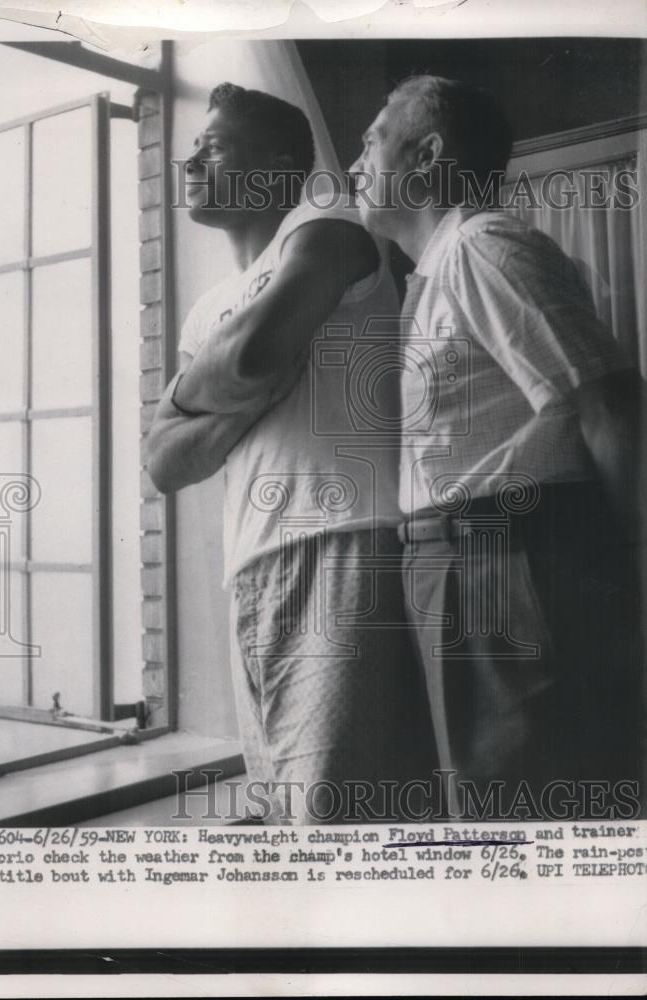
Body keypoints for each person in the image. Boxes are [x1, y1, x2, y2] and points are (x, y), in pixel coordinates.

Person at [349, 74, 644, 819]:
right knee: (489, 802)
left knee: (526, 804)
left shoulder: (485, 246)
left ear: (428, 155)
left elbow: (607, 404)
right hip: (457, 564)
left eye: (373, 138)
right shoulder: (437, 269)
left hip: (508, 559)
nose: (356, 160)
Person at [147, 82, 437, 824]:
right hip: (253, 571)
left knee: (334, 822)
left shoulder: (330, 232)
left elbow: (250, 358)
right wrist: (210, 411)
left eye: (212, 148)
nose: (189, 163)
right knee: (291, 820)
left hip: (341, 546)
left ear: (278, 170)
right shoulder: (205, 305)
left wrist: (197, 400)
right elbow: (163, 462)